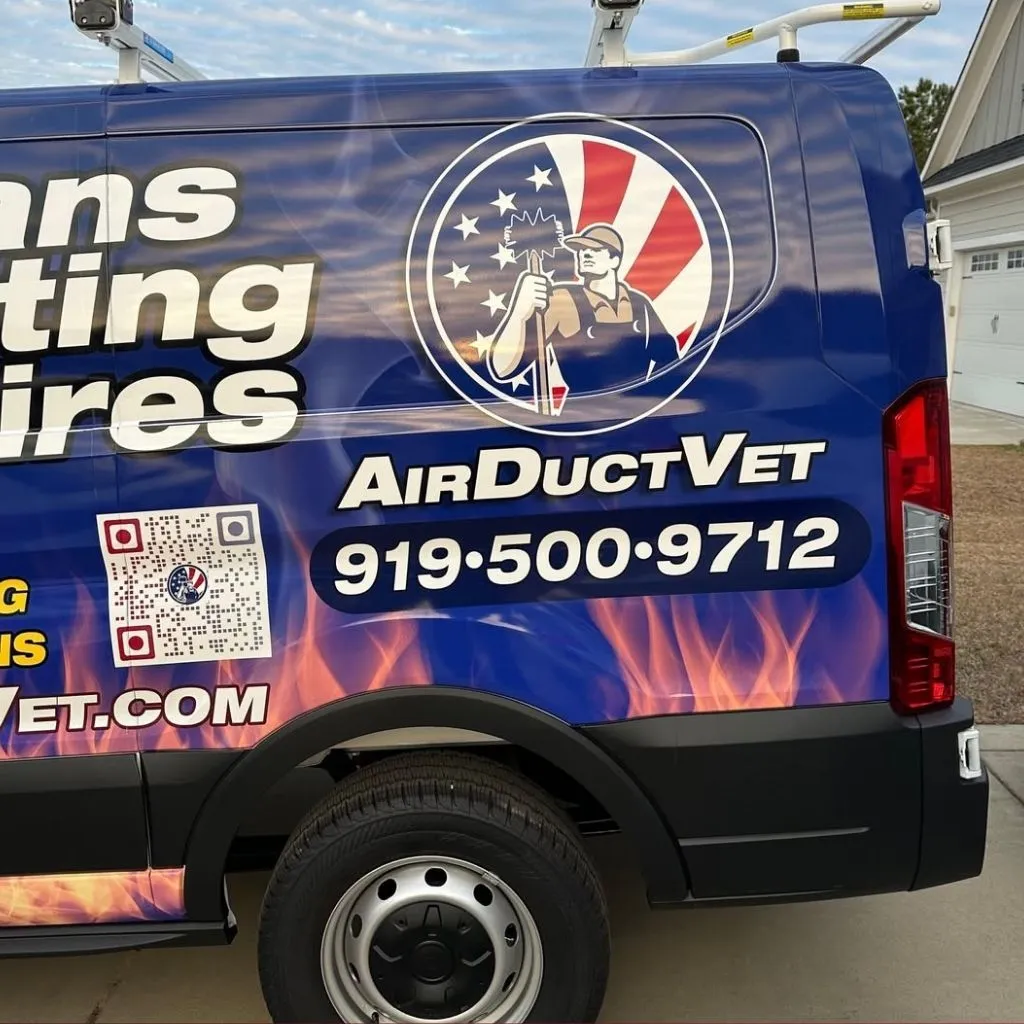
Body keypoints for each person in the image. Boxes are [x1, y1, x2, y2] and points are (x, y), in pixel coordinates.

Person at [487, 223, 679, 399]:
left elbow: (673, 366)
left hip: (638, 414)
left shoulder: (639, 303)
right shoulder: (562, 298)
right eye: (581, 250)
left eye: (595, 250)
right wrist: (519, 312)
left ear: (614, 260)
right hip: (585, 413)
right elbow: (503, 369)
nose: (584, 254)